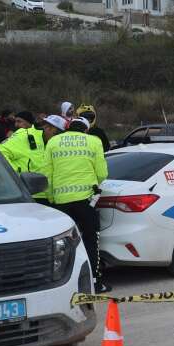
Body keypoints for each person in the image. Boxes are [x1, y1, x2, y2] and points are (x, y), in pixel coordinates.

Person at [44, 115, 110, 292]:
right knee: (90, 240)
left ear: (68, 127)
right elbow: (102, 173)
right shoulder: (94, 141)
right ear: (86, 129)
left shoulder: (53, 142)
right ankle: (95, 282)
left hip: (61, 202)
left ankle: (62, 285)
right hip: (86, 200)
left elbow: (47, 174)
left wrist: (52, 198)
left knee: (62, 244)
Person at [0, 112, 50, 204]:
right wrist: (16, 174)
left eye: (19, 121)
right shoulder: (22, 135)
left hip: (46, 194)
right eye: (16, 121)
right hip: (28, 193)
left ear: (29, 123)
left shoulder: (43, 137)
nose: (16, 125)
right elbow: (0, 152)